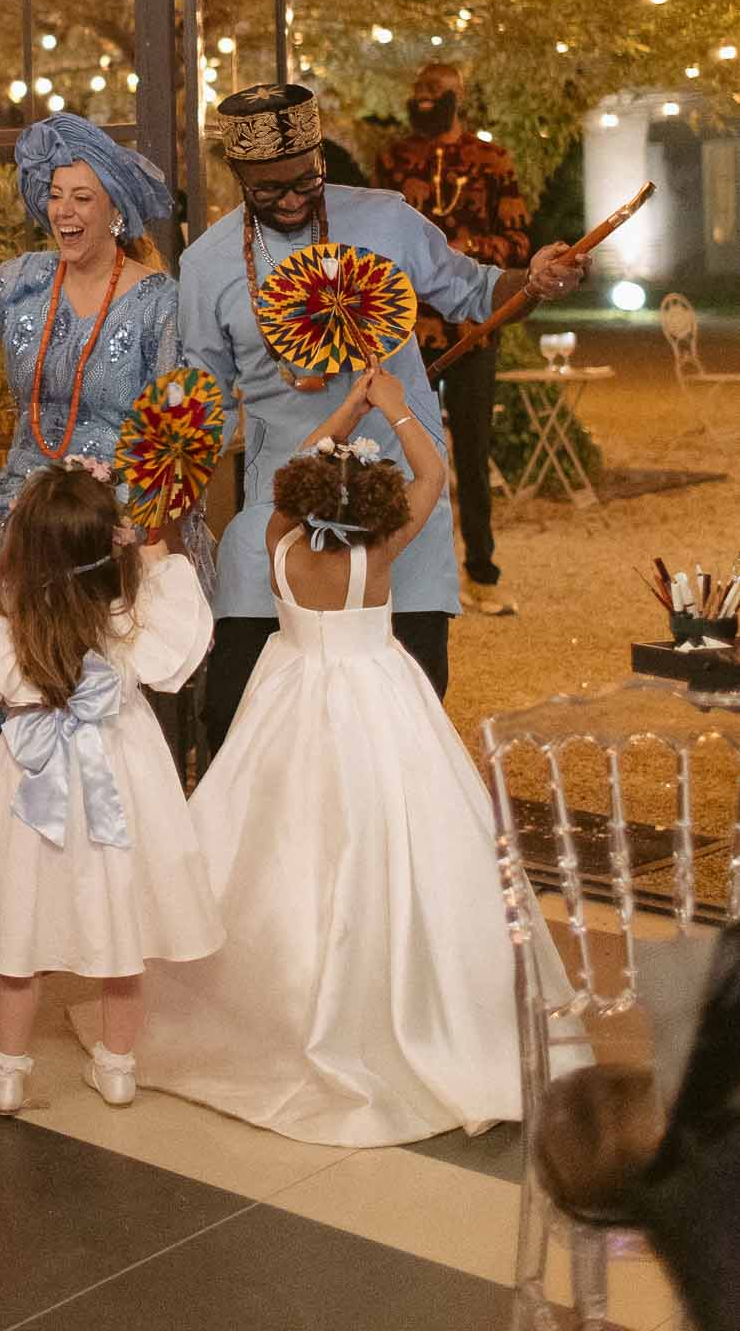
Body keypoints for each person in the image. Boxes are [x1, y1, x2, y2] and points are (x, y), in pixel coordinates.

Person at [111, 364, 573, 1145]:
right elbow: (431, 471)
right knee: (398, 839)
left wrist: (342, 416)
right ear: (376, 508)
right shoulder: (382, 552)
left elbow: (293, 478)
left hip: (288, 696)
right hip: (376, 697)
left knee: (277, 844)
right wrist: (391, 411)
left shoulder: (278, 539)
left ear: (303, 498)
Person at [179, 81, 587, 748]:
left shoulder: (387, 218)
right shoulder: (206, 264)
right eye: (267, 190)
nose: (288, 201)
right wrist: (158, 497)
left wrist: (535, 280)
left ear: (319, 159)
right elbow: (201, 393)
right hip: (281, 513)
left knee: (408, 715)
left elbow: (478, 292)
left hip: (404, 498)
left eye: (302, 182)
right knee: (236, 715)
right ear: (237, 177)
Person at [0, 112, 180, 822]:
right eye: (54, 195)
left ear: (113, 208)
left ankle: (99, 852)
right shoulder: (24, 280)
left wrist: (142, 525)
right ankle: (5, 862)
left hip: (103, 528)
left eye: (81, 196)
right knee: (14, 684)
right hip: (19, 516)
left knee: (96, 687)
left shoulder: (156, 300)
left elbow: (176, 421)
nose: (63, 210)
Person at [0, 460, 222, 1115]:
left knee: (21, 921)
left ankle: (7, 1072)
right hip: (121, 771)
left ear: (25, 550)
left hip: (30, 776)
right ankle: (117, 1065)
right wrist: (149, 542)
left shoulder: (6, 615)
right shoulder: (133, 615)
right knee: (121, 915)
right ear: (109, 548)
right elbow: (173, 599)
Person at [374, 61, 531, 618]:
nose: (422, 100)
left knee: (471, 452)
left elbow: (516, 242)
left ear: (457, 97)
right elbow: (376, 238)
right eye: (416, 91)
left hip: (472, 334)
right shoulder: (394, 159)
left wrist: (458, 253)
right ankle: (392, 574)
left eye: (434, 93)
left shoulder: (491, 160)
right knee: (394, 450)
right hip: (404, 336)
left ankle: (481, 573)